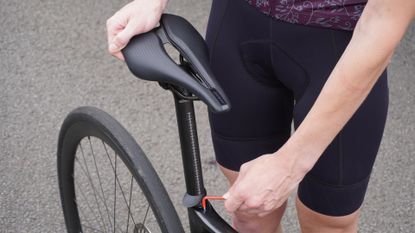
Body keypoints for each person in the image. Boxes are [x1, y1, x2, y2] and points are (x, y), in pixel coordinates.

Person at [106, 0, 415, 232]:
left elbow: (383, 21)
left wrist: (291, 163)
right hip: (239, 24)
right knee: (249, 212)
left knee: (329, 223)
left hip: (339, 42)